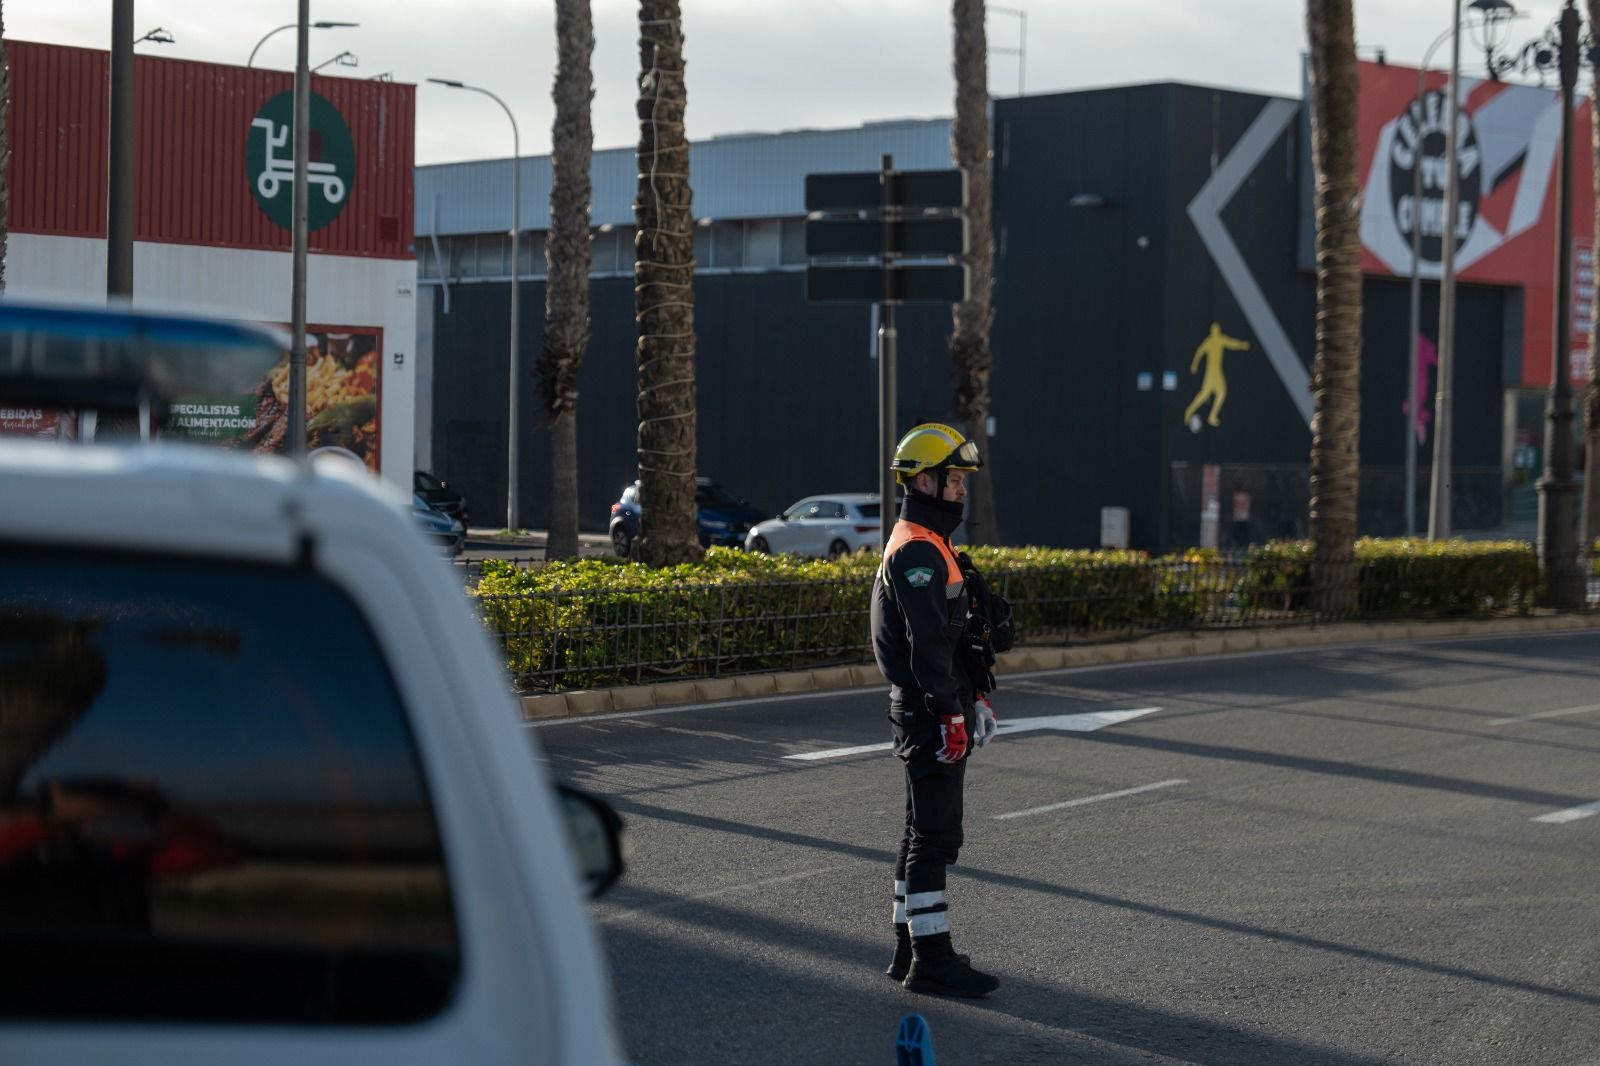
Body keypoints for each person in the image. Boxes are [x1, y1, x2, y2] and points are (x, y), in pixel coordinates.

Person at [871, 422, 1004, 998]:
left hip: (932, 703)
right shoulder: (918, 550)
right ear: (923, 480)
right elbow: (926, 643)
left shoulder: (929, 540)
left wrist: (973, 695)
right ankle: (933, 959)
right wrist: (951, 713)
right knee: (934, 836)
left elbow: (951, 640)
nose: (960, 490)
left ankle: (907, 948)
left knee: (916, 832)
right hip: (929, 709)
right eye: (953, 480)